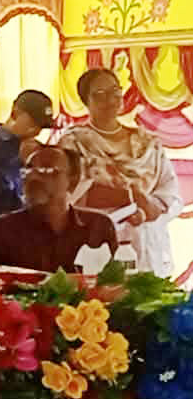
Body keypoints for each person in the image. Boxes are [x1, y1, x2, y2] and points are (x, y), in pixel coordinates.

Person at [55, 68, 183, 276]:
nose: (110, 99)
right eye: (100, 94)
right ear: (86, 101)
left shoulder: (148, 142)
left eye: (115, 91)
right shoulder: (74, 143)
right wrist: (130, 197)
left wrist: (148, 208)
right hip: (98, 241)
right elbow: (70, 195)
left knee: (148, 293)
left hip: (147, 239)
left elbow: (169, 192)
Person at [0, 145, 117, 272]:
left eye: (47, 170)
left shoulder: (98, 226)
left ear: (73, 180)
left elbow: (115, 284)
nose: (34, 177)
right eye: (28, 170)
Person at [0, 89, 54, 219]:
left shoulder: (38, 150)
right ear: (15, 113)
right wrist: (20, 162)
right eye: (33, 123)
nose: (37, 131)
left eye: (41, 126)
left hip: (31, 223)